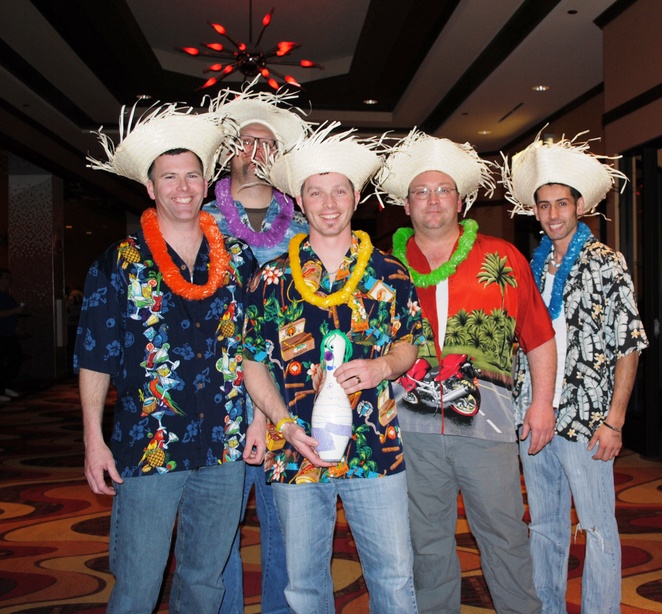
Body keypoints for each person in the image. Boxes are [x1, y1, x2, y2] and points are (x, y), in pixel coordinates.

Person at [77, 104, 257, 613]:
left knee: (205, 583)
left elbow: (254, 350)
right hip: (148, 445)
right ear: (151, 188)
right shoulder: (120, 263)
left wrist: (259, 422)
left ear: (206, 184)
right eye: (169, 178)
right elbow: (95, 356)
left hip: (223, 445)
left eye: (192, 176)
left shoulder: (238, 259)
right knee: (137, 584)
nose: (183, 187)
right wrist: (93, 439)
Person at [241, 123, 424, 613]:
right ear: (299, 201)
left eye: (339, 190)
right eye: (315, 192)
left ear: (356, 196)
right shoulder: (271, 278)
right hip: (295, 448)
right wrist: (281, 423)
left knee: (394, 578)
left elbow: (412, 346)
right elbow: (252, 364)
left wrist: (382, 367)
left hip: (376, 447)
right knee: (302, 586)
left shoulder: (390, 272)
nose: (328, 203)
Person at [375, 130, 556, 614]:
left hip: (488, 426)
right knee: (427, 545)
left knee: (505, 536)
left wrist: (541, 405)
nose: (433, 201)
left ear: (460, 201)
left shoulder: (502, 257)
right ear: (406, 205)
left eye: (443, 191)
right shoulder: (385, 266)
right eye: (421, 192)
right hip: (409, 428)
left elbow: (538, 336)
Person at [502, 131, 649, 612]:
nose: (552, 215)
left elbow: (628, 345)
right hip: (536, 416)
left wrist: (615, 420)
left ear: (579, 205)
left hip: (588, 422)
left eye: (561, 204)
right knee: (543, 525)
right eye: (543, 206)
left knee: (598, 529)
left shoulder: (607, 263)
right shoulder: (534, 266)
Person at [202, 84, 311, 614]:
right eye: (247, 141)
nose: (257, 152)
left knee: (287, 528)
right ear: (230, 151)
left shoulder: (310, 226)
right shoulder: (196, 221)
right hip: (216, 398)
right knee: (216, 531)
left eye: (268, 144)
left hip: (287, 394)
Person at [0, 268, 24, 402]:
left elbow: (11, 315)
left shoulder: (9, 297)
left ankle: (5, 386)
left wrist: (16, 328)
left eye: (10, 278)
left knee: (16, 358)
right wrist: (14, 310)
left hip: (9, 333)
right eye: (6, 278)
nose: (9, 281)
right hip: (1, 334)